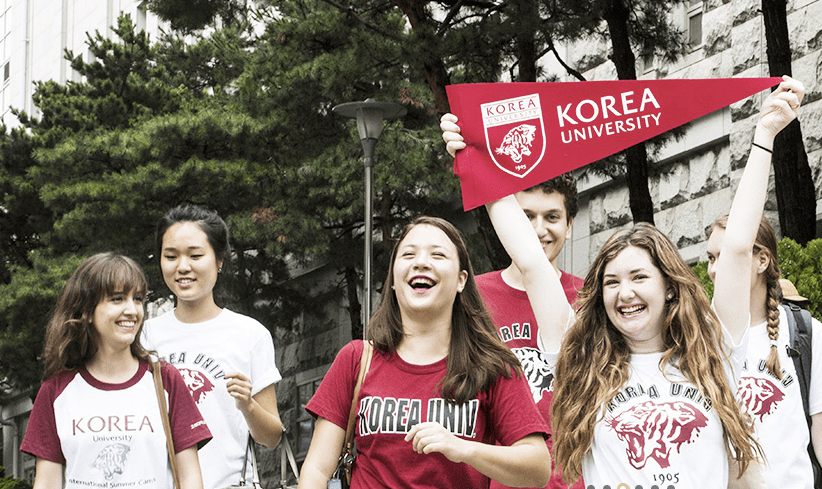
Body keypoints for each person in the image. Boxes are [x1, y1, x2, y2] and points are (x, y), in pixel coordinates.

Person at [444, 76, 806, 487]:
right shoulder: (583, 360)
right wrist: (473, 160)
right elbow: (531, 262)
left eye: (639, 277)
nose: (625, 292)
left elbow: (739, 248)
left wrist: (765, 135)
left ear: (669, 287)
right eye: (611, 282)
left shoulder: (713, 351)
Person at [299, 216, 551, 488]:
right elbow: (317, 469)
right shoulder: (356, 359)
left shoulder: (493, 366)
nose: (420, 262)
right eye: (408, 254)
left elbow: (537, 468)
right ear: (393, 280)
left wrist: (463, 449)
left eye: (438, 255)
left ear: (461, 280)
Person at [22, 252, 212, 489]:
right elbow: (47, 483)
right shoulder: (56, 390)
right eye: (117, 299)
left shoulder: (164, 379)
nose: (132, 310)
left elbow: (190, 478)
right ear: (86, 311)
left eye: (138, 299)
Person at [705, 217, 822, 489]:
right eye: (711, 258)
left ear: (762, 260)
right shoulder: (698, 336)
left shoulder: (807, 333)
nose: (714, 270)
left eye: (725, 257)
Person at [142, 205, 283, 489]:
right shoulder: (144, 336)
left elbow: (272, 437)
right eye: (171, 256)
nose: (183, 266)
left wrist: (247, 405)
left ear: (219, 260)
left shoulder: (249, 334)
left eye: (195, 255)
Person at [471, 174, 583, 489]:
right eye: (526, 217)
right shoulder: (472, 298)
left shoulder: (590, 298)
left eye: (552, 217)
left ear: (569, 226)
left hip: (574, 478)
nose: (538, 229)